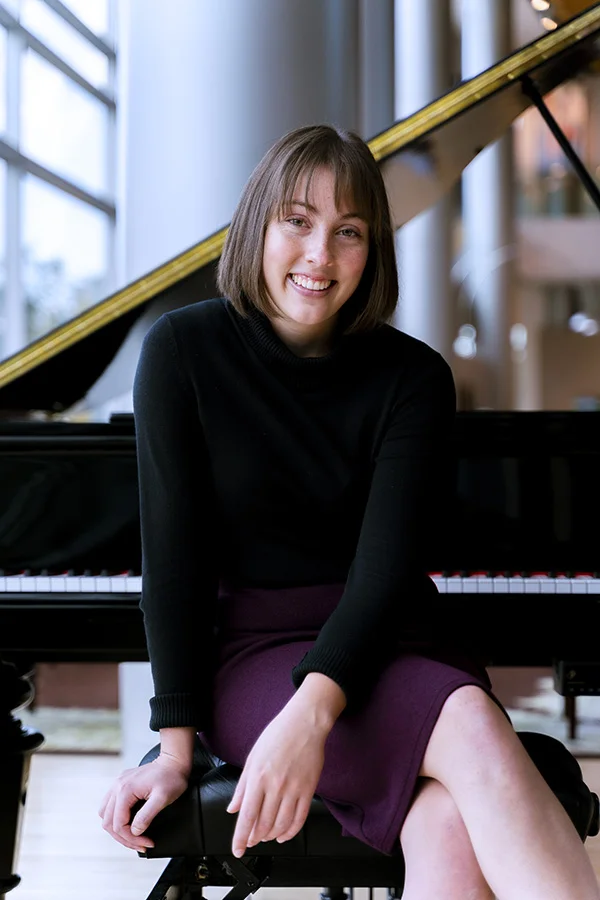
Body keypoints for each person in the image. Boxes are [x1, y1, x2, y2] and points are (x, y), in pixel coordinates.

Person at [99, 123, 600, 899]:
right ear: (257, 223)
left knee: (445, 820)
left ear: (373, 251)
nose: (319, 256)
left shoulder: (413, 378)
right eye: (297, 221)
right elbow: (174, 564)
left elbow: (387, 572)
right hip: (255, 654)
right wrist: (174, 747)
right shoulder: (181, 351)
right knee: (469, 721)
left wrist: (311, 716)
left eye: (349, 232)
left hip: (395, 637)